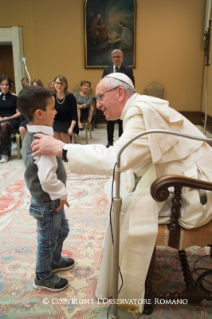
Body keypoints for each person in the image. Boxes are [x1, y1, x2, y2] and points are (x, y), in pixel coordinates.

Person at [30, 73, 212, 313]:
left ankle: (128, 287)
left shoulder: (139, 111)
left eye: (101, 97)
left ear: (120, 93)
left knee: (125, 206)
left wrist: (61, 148)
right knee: (121, 192)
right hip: (191, 181)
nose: (98, 104)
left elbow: (117, 157)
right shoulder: (140, 106)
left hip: (196, 194)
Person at [17, 85, 74, 291]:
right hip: (48, 202)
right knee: (47, 240)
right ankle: (42, 275)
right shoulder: (41, 143)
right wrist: (62, 194)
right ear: (39, 114)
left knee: (62, 230)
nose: (56, 111)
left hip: (50, 200)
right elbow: (48, 179)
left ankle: (55, 260)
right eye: (52, 108)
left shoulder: (38, 134)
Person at [102, 49, 135, 148]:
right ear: (111, 59)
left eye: (118, 57)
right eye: (114, 57)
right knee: (110, 122)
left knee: (121, 123)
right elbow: (103, 85)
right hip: (110, 101)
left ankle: (121, 142)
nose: (116, 59)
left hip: (122, 101)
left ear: (122, 58)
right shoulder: (106, 70)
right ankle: (110, 142)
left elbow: (131, 85)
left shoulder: (128, 70)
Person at [0, 75, 21, 163]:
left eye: (6, 84)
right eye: (2, 84)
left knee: (3, 125)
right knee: (1, 124)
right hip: (0, 119)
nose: (4, 86)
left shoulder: (14, 97)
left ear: (10, 85)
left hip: (12, 119)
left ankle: (5, 154)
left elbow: (19, 113)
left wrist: (8, 117)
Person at [53, 75, 78, 145]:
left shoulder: (70, 97)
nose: (59, 85)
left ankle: (66, 153)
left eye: (61, 83)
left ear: (65, 85)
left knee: (63, 133)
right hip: (56, 121)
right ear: (54, 84)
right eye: (57, 83)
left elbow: (74, 115)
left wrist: (71, 127)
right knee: (55, 132)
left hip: (68, 120)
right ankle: (58, 154)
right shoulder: (52, 96)